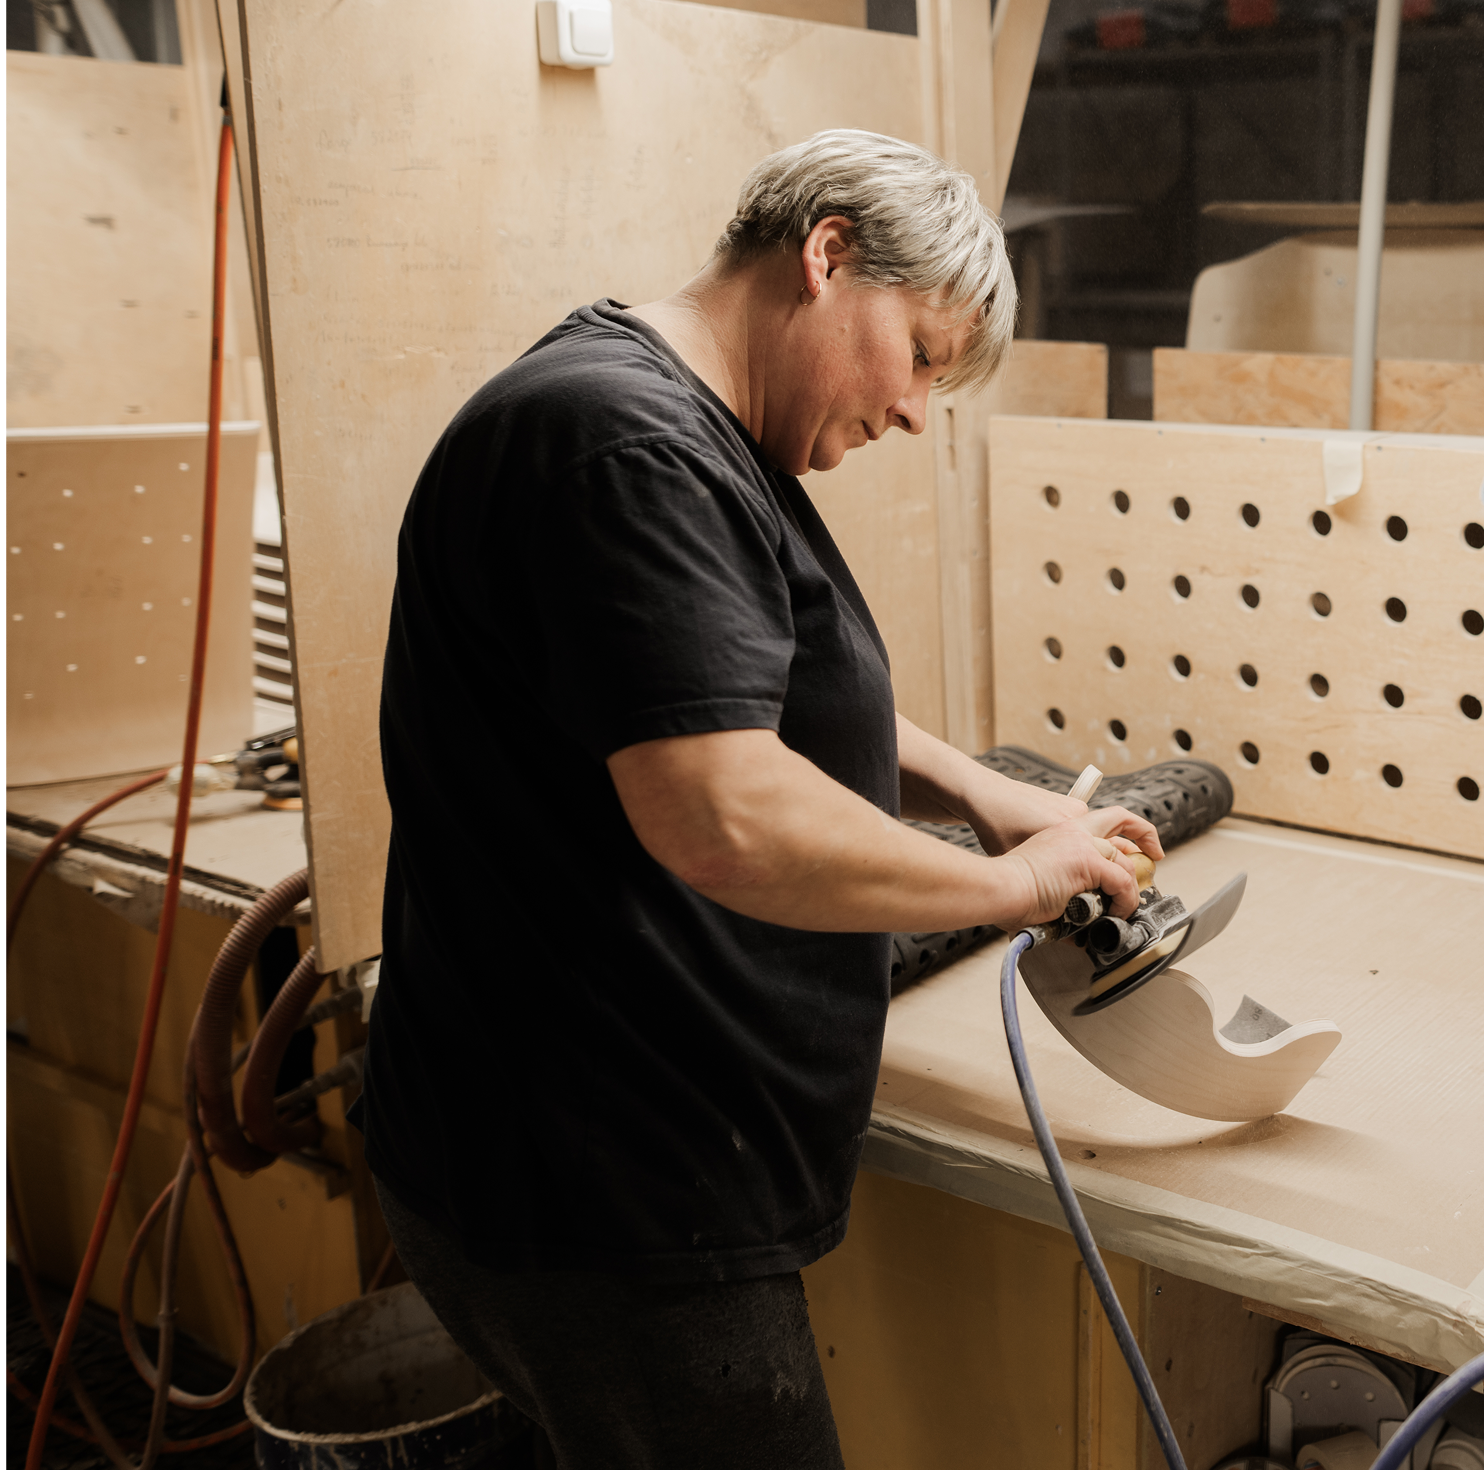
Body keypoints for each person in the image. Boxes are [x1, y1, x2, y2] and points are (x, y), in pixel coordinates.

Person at [351, 129, 1162, 1470]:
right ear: (828, 256)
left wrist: (980, 793)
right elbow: (726, 816)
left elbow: (742, 693)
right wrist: (1022, 886)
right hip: (604, 1195)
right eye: (920, 358)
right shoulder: (627, 450)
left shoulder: (669, 427)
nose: (914, 414)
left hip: (613, 1159)